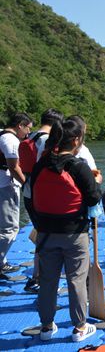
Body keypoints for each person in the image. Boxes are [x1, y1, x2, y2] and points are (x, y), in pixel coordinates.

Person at [30, 117, 102, 342]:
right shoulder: (78, 166)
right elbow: (93, 198)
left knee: (48, 280)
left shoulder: (41, 164)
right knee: (76, 280)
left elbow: (32, 196)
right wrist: (96, 180)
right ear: (77, 140)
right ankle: (80, 328)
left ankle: (46, 327)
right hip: (75, 234)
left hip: (46, 233)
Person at [21, 108, 64, 292]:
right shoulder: (47, 140)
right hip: (43, 195)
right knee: (47, 236)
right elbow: (50, 168)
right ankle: (38, 277)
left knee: (41, 233)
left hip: (28, 192)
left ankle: (36, 276)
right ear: (56, 123)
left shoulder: (28, 138)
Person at [0, 112, 32, 280]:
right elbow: (13, 167)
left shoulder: (1, 133)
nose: (28, 133)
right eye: (27, 129)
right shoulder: (11, 140)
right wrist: (27, 183)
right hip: (6, 185)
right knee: (10, 227)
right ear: (20, 125)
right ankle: (0, 264)